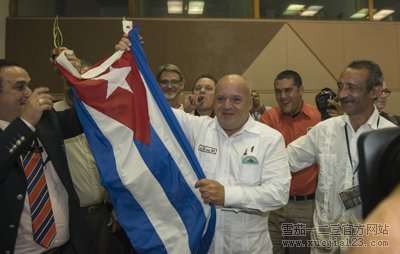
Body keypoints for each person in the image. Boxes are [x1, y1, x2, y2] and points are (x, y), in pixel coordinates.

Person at [287, 60, 397, 254]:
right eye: (341, 86)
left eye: (352, 88)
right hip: (325, 243)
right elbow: (284, 160)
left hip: (368, 244)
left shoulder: (391, 138)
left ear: (375, 91)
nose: (342, 94)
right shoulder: (324, 130)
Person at [174, 74, 291, 253]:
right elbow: (156, 110)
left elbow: (278, 194)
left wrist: (227, 195)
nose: (227, 106)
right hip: (205, 246)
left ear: (250, 103)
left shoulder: (270, 139)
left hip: (250, 249)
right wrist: (130, 54)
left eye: (236, 99)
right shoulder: (198, 129)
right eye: (221, 99)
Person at [0, 59, 89, 253]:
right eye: (19, 87)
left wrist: (80, 79)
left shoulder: (47, 122)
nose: (28, 93)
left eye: (28, 85)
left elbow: (90, 117)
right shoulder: (29, 122)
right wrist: (24, 124)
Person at [260, 70, 321, 254]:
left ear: (301, 90)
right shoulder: (268, 119)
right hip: (274, 205)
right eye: (278, 91)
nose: (283, 96)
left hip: (302, 207)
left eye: (288, 90)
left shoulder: (316, 119)